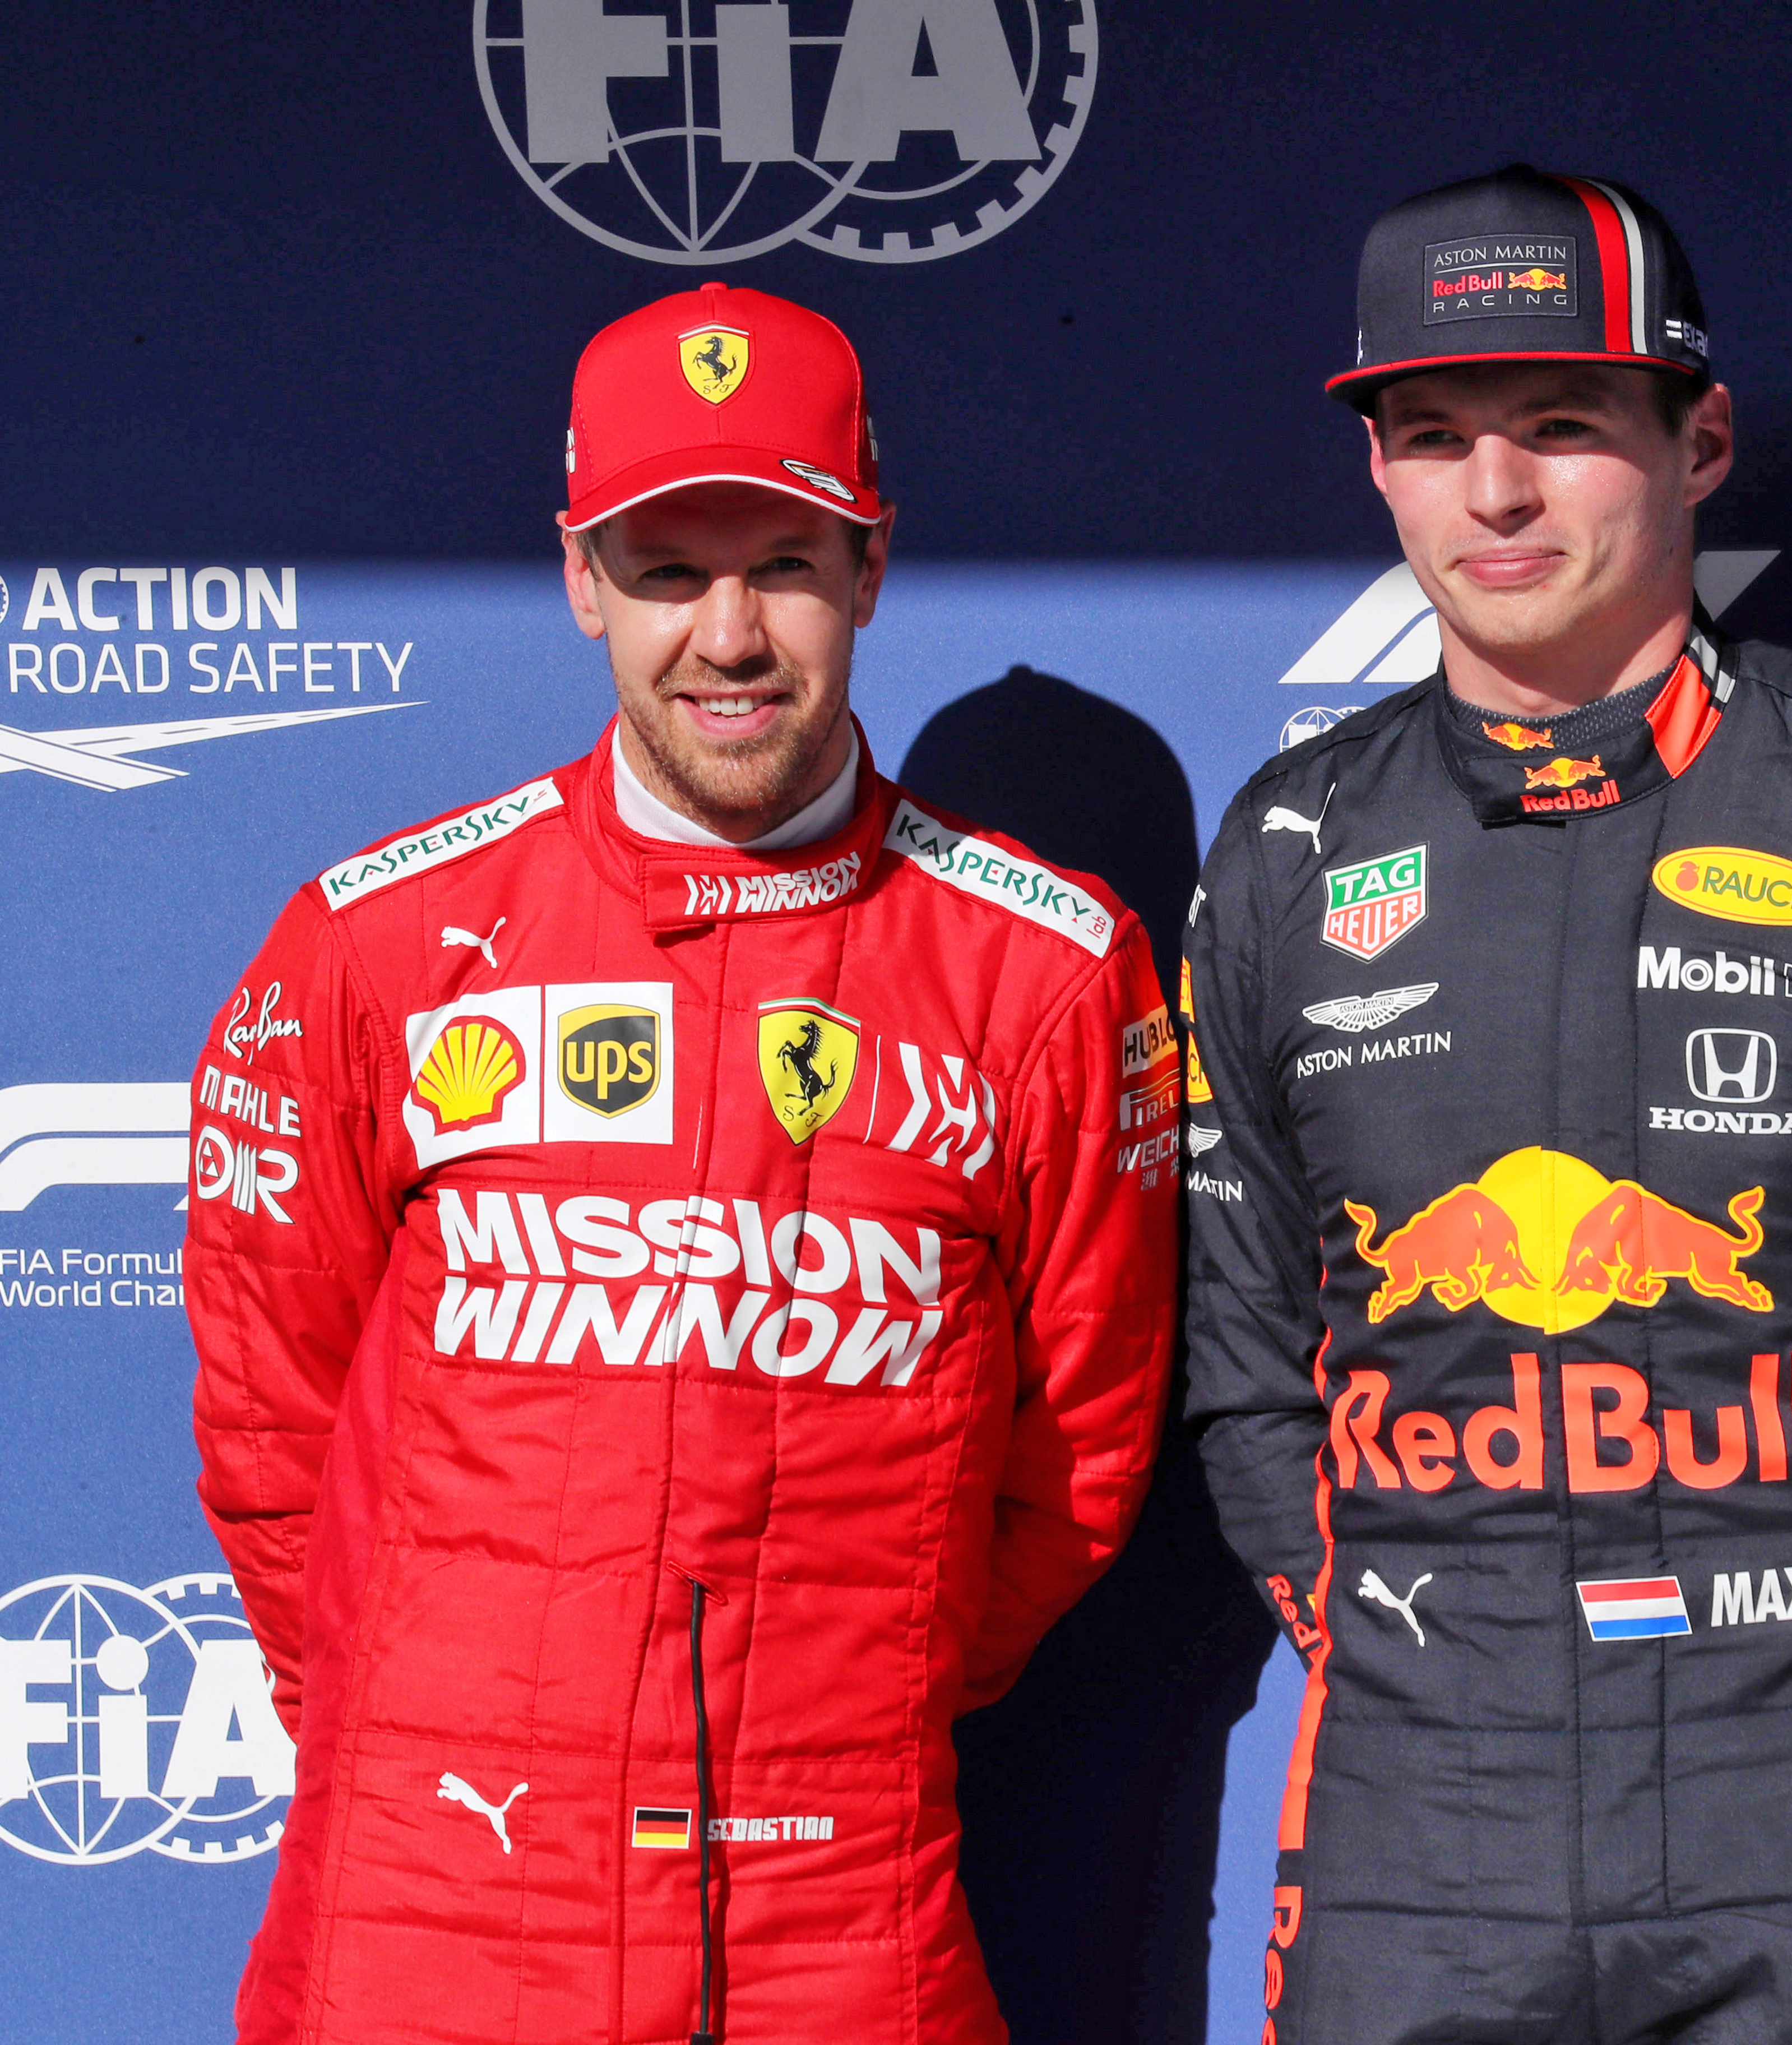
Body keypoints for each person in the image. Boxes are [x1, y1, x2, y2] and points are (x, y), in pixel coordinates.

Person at [185, 281, 1179, 2045]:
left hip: (837, 1919)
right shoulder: (379, 944)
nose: (729, 635)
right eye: (666, 571)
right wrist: (450, 1712)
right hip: (428, 1909)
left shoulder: (1046, 967)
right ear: (580, 581)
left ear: (871, 568)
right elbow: (276, 1438)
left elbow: (1081, 1460)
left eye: (785, 562)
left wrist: (834, 1691)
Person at [1181, 163, 1792, 2043]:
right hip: (1420, 1811)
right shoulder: (1285, 851)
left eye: (1562, 428)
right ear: (1380, 471)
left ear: (1702, 439)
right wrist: (1407, 1635)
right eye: (1434, 437)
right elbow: (1246, 1347)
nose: (1494, 496)